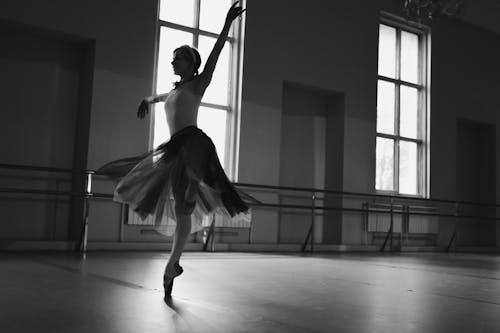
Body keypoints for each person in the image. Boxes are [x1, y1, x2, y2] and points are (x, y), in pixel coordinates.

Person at [98, 2, 250, 298]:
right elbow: (163, 96)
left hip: (192, 146)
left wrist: (227, 24)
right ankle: (173, 265)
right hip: (178, 150)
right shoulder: (178, 90)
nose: (172, 63)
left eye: (177, 59)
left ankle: (172, 264)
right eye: (172, 59)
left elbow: (217, 54)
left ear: (191, 64)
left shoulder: (198, 85)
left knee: (184, 207)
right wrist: (148, 99)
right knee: (183, 211)